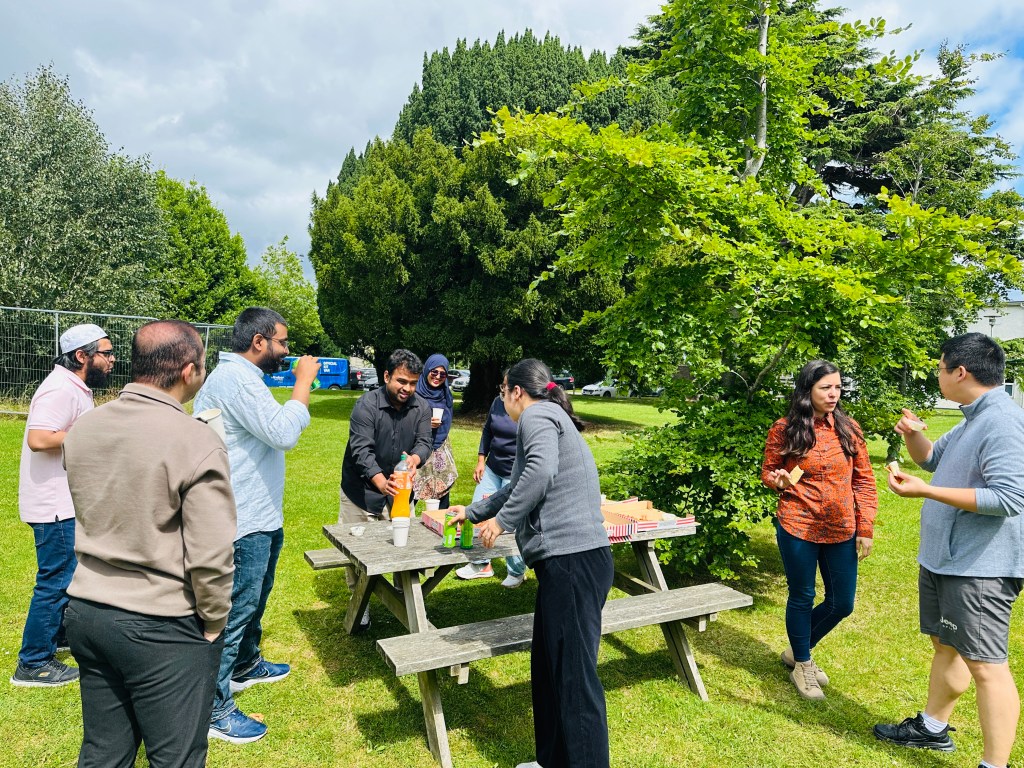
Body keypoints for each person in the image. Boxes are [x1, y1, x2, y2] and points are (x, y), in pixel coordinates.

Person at [62, 320, 235, 767]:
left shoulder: (85, 427)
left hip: (88, 609)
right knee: (176, 757)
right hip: (161, 623)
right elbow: (211, 553)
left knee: (103, 751)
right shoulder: (196, 439)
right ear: (189, 370)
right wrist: (215, 620)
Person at [449, 358, 613, 768]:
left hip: (573, 562)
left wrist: (501, 523)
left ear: (516, 391)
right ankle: (551, 760)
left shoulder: (537, 416)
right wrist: (473, 512)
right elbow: (521, 484)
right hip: (568, 564)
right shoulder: (549, 416)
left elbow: (540, 472)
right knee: (547, 667)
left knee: (574, 680)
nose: (501, 398)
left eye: (502, 390)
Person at [874, 333, 1024, 768]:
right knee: (946, 645)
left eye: (940, 368)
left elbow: (1009, 498)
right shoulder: (973, 417)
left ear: (960, 372)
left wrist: (927, 492)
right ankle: (932, 728)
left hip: (981, 567)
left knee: (987, 666)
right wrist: (913, 435)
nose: (937, 375)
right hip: (947, 559)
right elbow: (931, 459)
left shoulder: (1002, 422)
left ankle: (994, 765)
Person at [194, 307, 318, 744]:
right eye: (282, 342)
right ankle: (213, 707)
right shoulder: (236, 380)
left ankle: (246, 663)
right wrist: (303, 384)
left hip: (259, 513)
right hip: (242, 517)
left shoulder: (244, 378)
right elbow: (283, 433)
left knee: (255, 596)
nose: (287, 350)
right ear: (259, 341)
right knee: (235, 610)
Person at [761, 359, 877, 701]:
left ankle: (797, 650)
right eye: (825, 388)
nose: (833, 394)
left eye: (837, 387)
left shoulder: (849, 429)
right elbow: (769, 471)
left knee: (842, 603)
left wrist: (865, 526)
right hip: (798, 524)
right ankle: (803, 663)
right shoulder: (785, 429)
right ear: (807, 390)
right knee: (802, 595)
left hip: (841, 528)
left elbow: (864, 480)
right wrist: (778, 480)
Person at [11, 323, 114, 688]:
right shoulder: (59, 389)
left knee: (68, 575)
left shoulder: (74, 386)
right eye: (106, 353)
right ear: (82, 356)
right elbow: (39, 439)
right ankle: (33, 662)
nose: (112, 359)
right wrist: (92, 434)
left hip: (65, 501)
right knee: (55, 580)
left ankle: (57, 636)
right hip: (53, 504)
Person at [340, 348, 432, 629]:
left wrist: (415, 459)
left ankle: (406, 598)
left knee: (404, 548)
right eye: (401, 381)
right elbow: (361, 450)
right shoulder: (366, 406)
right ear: (387, 376)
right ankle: (361, 602)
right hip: (361, 490)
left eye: (413, 383)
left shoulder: (422, 407)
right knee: (358, 550)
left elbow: (424, 442)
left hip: (402, 491)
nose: (407, 388)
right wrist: (381, 482)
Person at [455, 384, 528, 588]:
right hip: (493, 468)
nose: (503, 390)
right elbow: (488, 430)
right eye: (502, 385)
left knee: (510, 521)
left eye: (507, 386)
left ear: (518, 388)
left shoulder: (527, 407)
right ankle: (481, 563)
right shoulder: (498, 402)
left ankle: (516, 570)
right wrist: (481, 459)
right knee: (477, 511)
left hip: (514, 472)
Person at [412, 353, 458, 508]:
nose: (438, 377)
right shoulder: (414, 393)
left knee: (442, 490)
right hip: (417, 446)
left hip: (440, 447)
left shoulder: (445, 393)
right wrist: (424, 425)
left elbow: (447, 419)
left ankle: (440, 520)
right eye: (434, 372)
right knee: (412, 489)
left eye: (443, 374)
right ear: (427, 370)